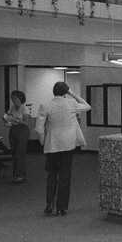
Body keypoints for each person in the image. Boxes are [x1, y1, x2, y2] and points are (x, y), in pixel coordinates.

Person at [35, 81, 90, 216]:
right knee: (65, 176)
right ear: (66, 92)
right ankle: (61, 207)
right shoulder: (71, 104)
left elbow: (38, 128)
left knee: (52, 174)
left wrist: (43, 141)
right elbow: (87, 106)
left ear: (53, 91)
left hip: (51, 145)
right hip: (67, 145)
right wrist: (72, 93)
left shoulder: (45, 105)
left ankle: (50, 202)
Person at [2, 90, 30, 183]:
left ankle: (21, 175)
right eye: (12, 99)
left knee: (19, 152)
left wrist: (15, 120)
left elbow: (27, 123)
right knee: (14, 152)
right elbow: (8, 119)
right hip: (13, 130)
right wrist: (6, 120)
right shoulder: (12, 108)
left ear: (20, 99)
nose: (13, 101)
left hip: (22, 131)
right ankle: (16, 174)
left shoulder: (24, 108)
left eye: (15, 99)